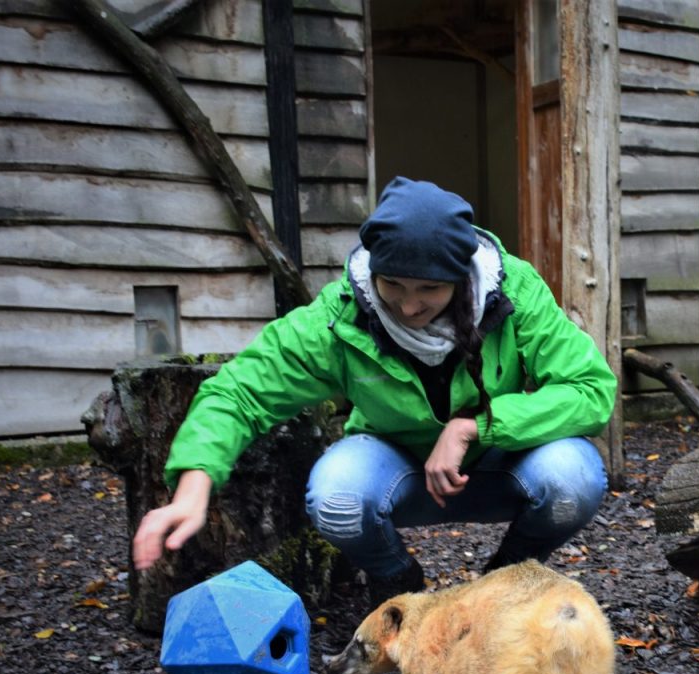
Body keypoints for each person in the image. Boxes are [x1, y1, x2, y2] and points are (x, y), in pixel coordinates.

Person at [133, 177, 617, 603]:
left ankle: (505, 583)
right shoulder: (338, 317)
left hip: (500, 466)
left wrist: (477, 427)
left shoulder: (516, 294)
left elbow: (591, 390)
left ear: (460, 277)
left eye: (429, 289)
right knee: (335, 497)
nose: (409, 307)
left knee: (573, 477)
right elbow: (238, 392)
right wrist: (193, 489)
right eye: (393, 285)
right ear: (374, 273)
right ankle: (398, 585)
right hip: (399, 471)